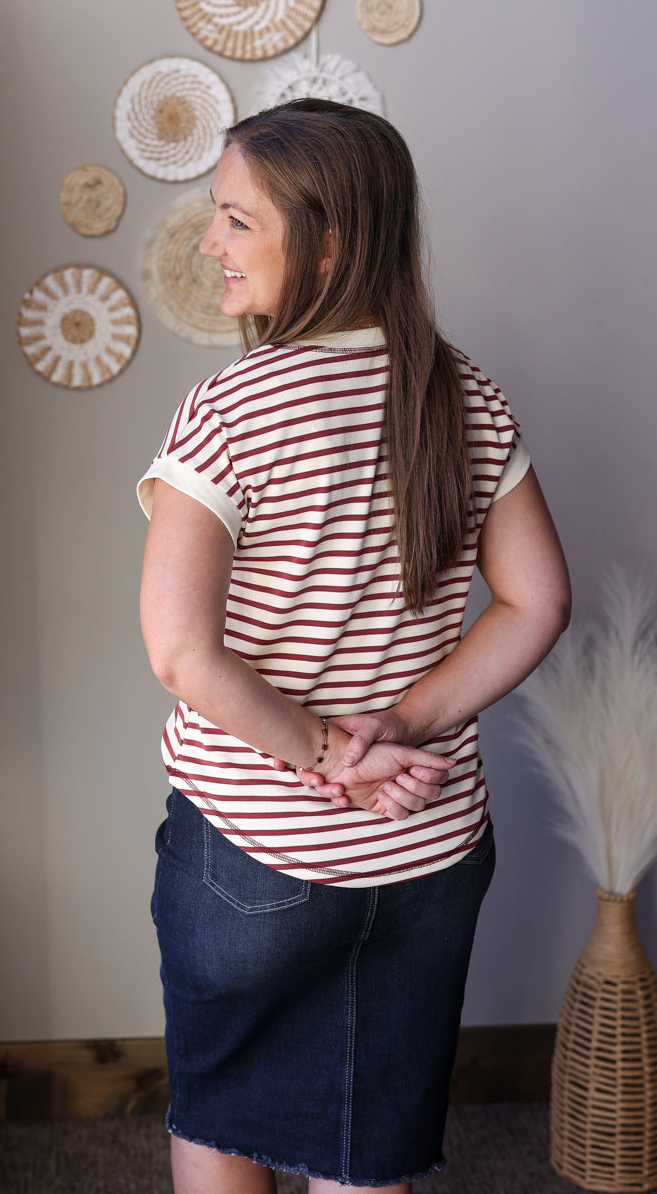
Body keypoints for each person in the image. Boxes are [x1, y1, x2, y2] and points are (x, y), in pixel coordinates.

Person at [137, 99, 570, 1194]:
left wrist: (332, 753)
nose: (209, 245)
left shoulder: (228, 410)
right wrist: (400, 726)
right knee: (363, 1142)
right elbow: (536, 603)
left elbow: (182, 654)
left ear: (327, 240)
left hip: (253, 854)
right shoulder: (460, 390)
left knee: (224, 1117)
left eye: (238, 222)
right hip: (425, 853)